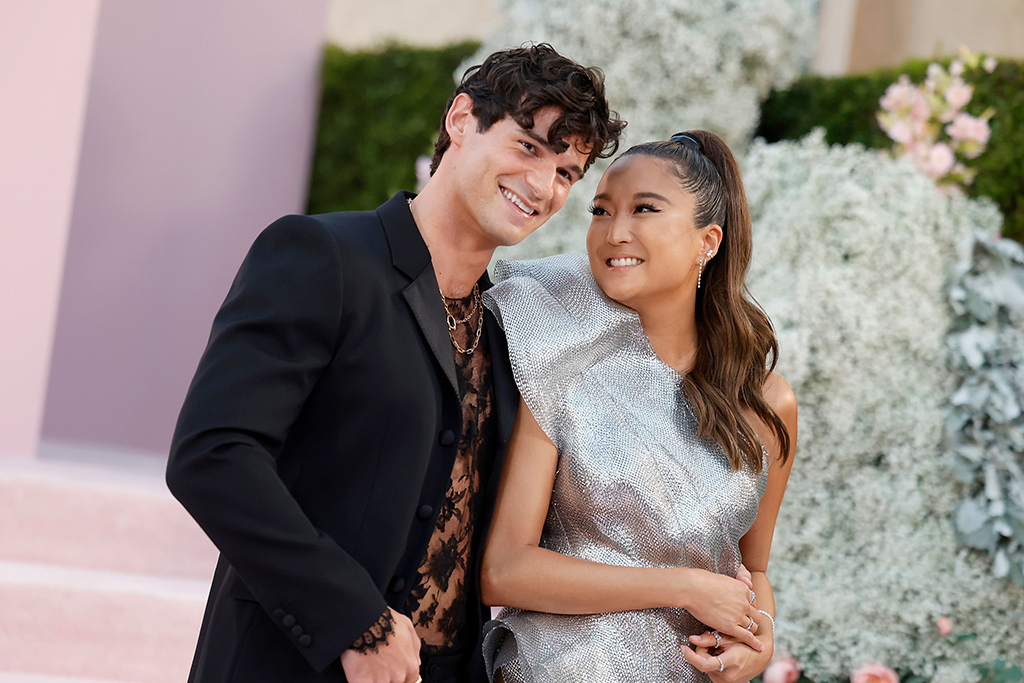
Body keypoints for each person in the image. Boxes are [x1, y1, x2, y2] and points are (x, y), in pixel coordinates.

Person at [165, 44, 624, 683]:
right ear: (461, 120)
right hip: (293, 662)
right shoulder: (321, 256)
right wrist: (357, 621)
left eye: (568, 172)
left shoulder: (512, 324)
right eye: (528, 147)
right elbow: (212, 456)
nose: (545, 186)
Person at [478, 130, 798, 683]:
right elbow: (504, 570)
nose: (614, 232)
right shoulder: (557, 347)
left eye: (644, 209)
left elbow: (755, 569)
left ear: (709, 240)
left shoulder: (768, 401)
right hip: (559, 669)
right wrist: (683, 585)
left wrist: (760, 638)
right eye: (601, 211)